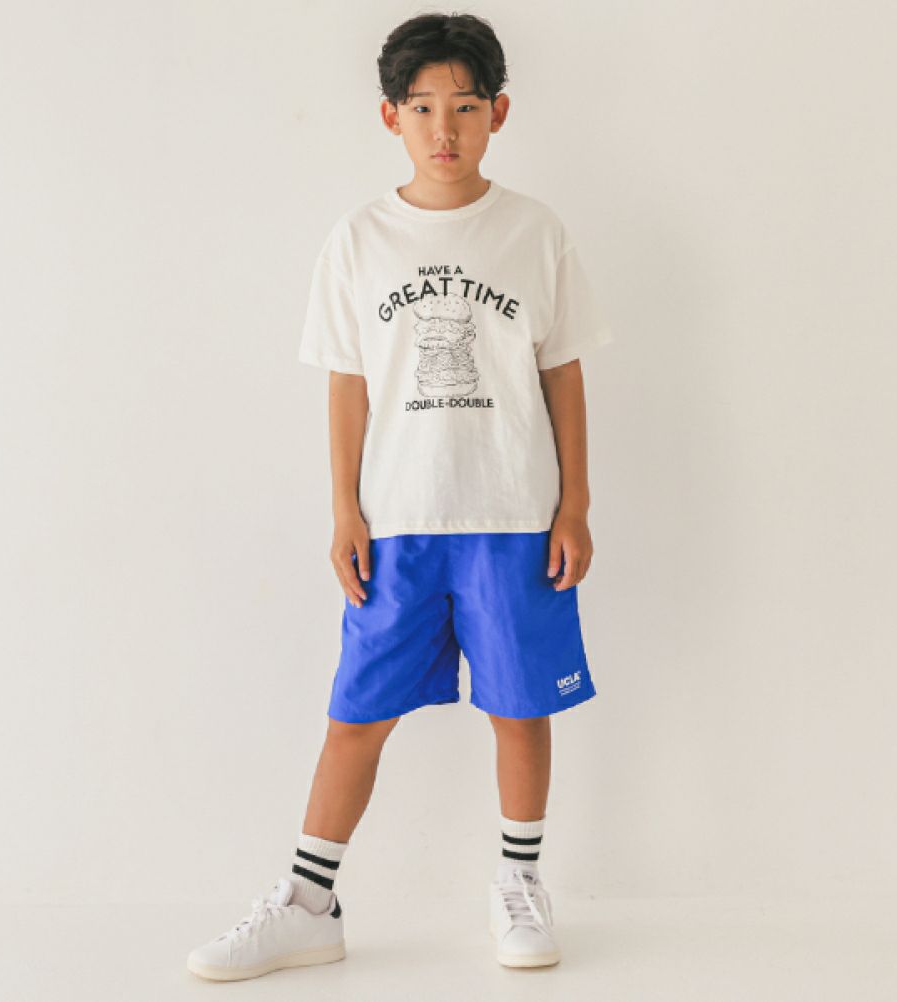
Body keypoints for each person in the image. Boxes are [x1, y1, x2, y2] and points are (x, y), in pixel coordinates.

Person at [187, 11, 612, 982]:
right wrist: (344, 509)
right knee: (356, 712)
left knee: (519, 707)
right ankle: (308, 903)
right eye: (422, 108)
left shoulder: (535, 232)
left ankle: (519, 883)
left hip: (513, 515)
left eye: (465, 106)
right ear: (390, 117)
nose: (444, 129)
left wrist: (575, 504)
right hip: (398, 522)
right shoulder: (359, 239)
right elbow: (347, 383)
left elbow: (564, 373)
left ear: (499, 112)